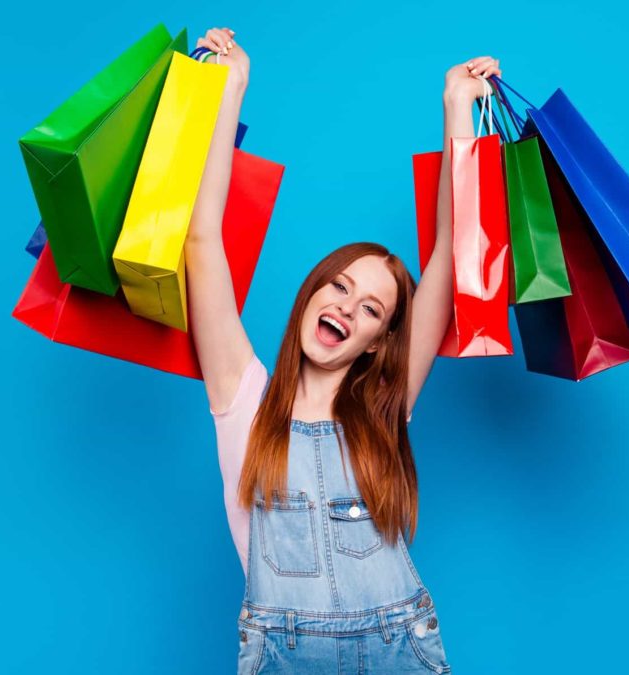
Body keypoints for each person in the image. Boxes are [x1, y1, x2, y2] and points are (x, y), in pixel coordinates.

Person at [185, 26, 501, 674]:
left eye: (371, 308)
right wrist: (229, 91)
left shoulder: (385, 405)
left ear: (378, 340)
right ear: (311, 292)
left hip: (400, 647)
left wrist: (456, 109)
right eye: (338, 285)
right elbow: (200, 244)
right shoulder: (239, 396)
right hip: (282, 655)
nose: (344, 308)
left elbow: (447, 261)